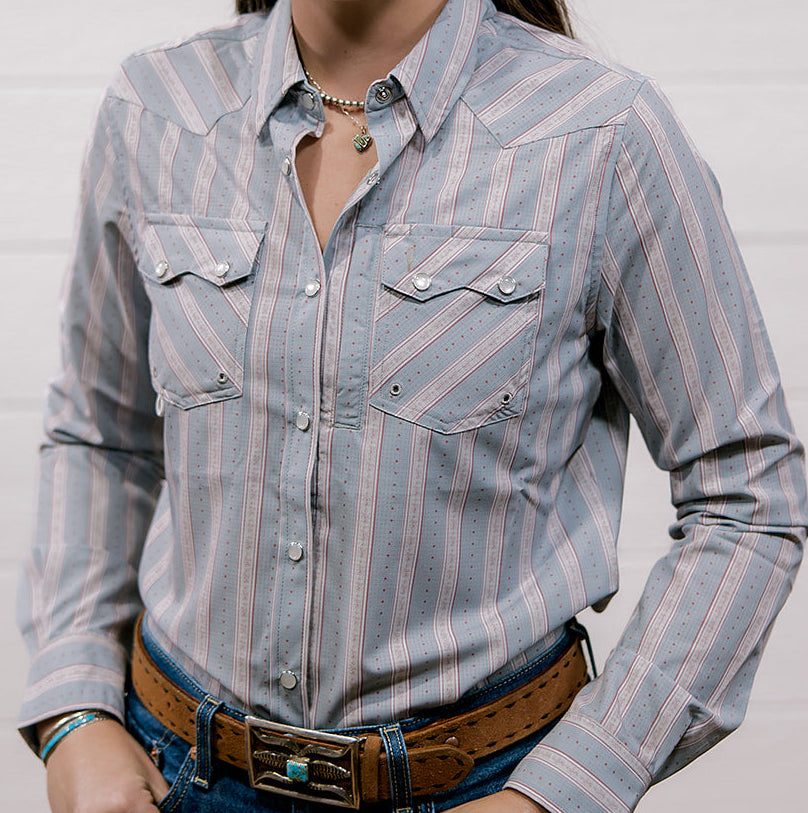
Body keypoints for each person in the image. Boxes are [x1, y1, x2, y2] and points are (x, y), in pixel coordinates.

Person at [17, 0, 806, 811]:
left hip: (483, 786)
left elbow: (748, 495)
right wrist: (75, 712)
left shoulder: (602, 131)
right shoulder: (155, 108)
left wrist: (567, 787)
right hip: (174, 772)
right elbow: (98, 434)